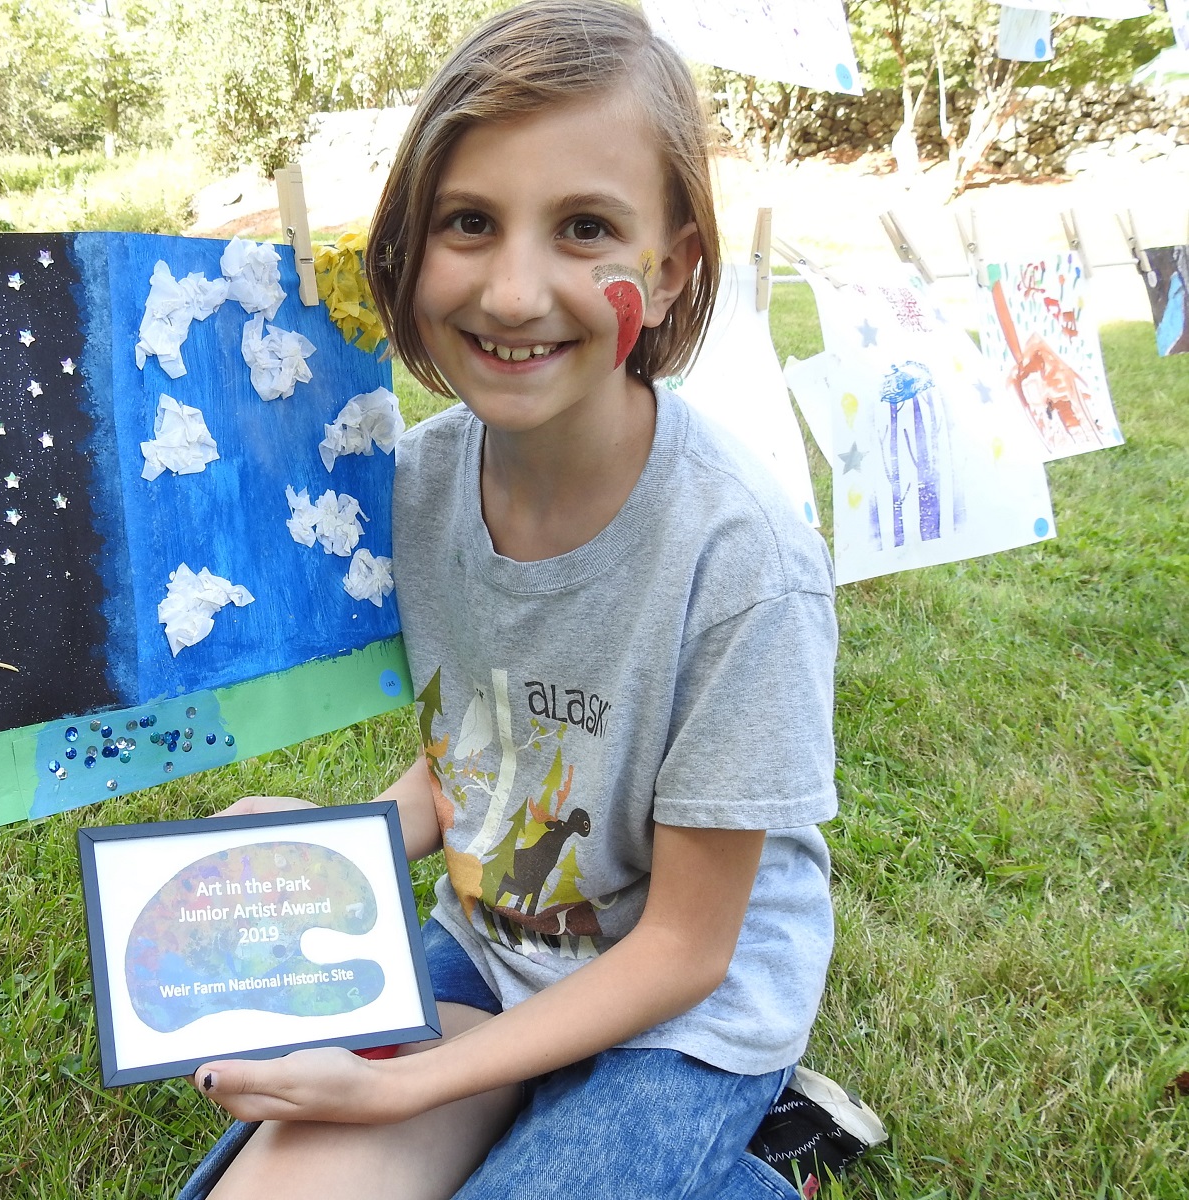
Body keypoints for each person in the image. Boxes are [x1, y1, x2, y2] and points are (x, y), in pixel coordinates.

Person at [178, 3, 883, 1196]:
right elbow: (484, 745)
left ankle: (752, 1160)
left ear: (667, 275)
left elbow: (682, 949)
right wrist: (325, 851)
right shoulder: (412, 487)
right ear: (411, 244)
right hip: (495, 945)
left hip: (681, 1019)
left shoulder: (739, 558)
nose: (511, 291)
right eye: (468, 222)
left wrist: (399, 1085)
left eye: (584, 229)